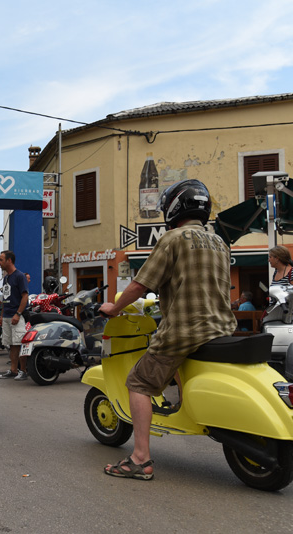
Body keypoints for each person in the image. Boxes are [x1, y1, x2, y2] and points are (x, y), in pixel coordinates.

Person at [98, 179, 235, 480]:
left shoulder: (172, 239)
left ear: (174, 208)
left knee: (139, 382)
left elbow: (140, 284)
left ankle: (140, 458)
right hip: (222, 327)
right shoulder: (220, 243)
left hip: (186, 329)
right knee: (176, 366)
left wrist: (114, 308)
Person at [0, 250, 29, 381]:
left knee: (20, 343)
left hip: (17, 316)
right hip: (7, 316)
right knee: (11, 344)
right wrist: (2, 315)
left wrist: (18, 314)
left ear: (9, 261)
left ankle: (24, 371)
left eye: (1, 260)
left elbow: (25, 296)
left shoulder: (20, 276)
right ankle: (13, 370)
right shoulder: (6, 278)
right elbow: (5, 298)